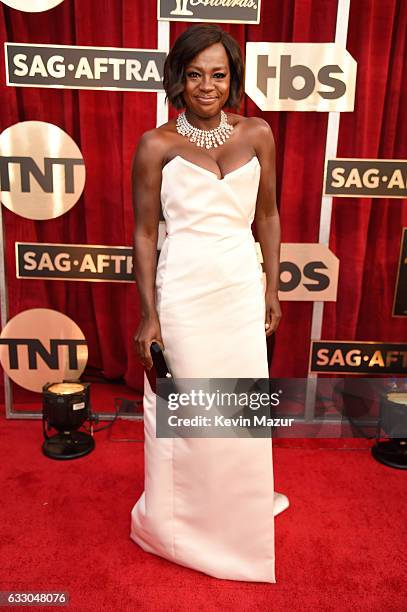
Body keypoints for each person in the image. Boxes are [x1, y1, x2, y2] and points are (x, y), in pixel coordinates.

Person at [130, 24, 289, 583]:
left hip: (240, 287)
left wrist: (271, 287)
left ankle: (236, 513)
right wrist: (149, 314)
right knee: (187, 414)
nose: (206, 86)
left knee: (238, 412)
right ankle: (179, 525)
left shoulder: (258, 134)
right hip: (185, 291)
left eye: (217, 75)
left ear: (232, 78)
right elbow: (146, 233)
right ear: (178, 77)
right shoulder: (156, 145)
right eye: (194, 74)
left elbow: (266, 215)